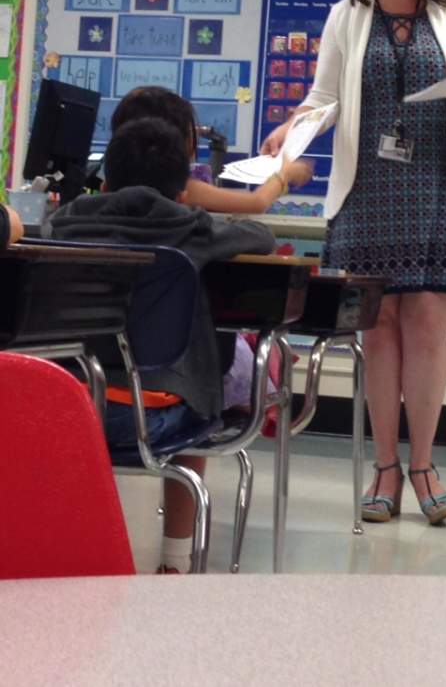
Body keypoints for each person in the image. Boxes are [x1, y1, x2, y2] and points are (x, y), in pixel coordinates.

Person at [260, 0, 446, 525]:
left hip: (437, 184)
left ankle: (424, 463)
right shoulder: (348, 13)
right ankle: (385, 468)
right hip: (367, 188)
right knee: (378, 329)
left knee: (427, 323)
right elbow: (322, 97)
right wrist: (290, 134)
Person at [48, 117, 276, 573]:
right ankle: (175, 560)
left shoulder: (64, 225)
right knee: (196, 387)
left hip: (71, 414)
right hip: (158, 420)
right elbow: (262, 237)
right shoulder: (194, 229)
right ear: (182, 190)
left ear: (106, 180)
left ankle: (64, 552)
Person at [108, 86, 309, 413]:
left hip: (88, 380)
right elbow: (257, 210)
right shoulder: (187, 218)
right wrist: (283, 176)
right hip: (171, 379)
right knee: (233, 358)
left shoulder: (69, 221)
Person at [111, 86, 313, 214]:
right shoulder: (182, 187)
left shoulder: (112, 182)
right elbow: (256, 203)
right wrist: (284, 174)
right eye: (192, 133)